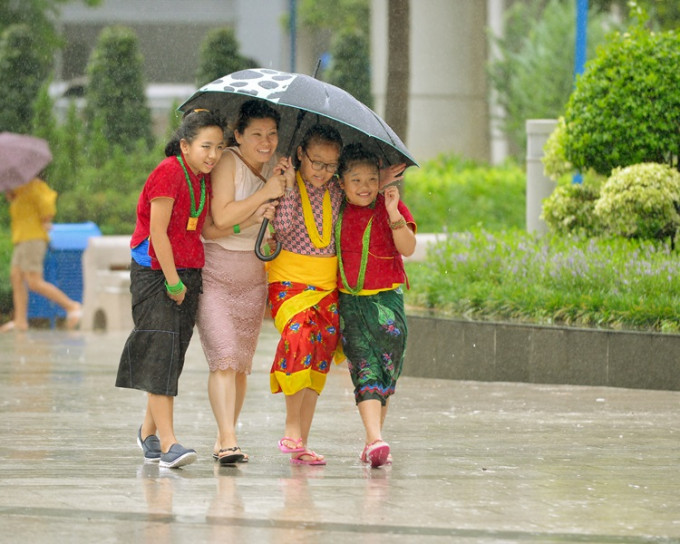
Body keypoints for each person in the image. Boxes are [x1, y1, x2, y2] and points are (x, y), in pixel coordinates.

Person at [115, 109, 226, 469]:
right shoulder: (168, 173)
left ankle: (147, 432)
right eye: (205, 146)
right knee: (161, 351)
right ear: (185, 145)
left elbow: (206, 229)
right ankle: (168, 444)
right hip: (157, 273)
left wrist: (256, 220)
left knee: (171, 356)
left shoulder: (202, 179)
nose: (212, 155)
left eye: (219, 147)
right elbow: (158, 233)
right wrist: (173, 281)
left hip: (190, 271)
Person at [195, 99, 287, 466]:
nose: (265, 142)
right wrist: (264, 196)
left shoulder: (277, 173)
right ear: (238, 135)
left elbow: (267, 233)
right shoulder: (229, 162)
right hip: (216, 272)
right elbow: (217, 218)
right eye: (256, 135)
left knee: (242, 365)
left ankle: (225, 438)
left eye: (272, 134)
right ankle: (229, 438)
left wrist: (269, 220)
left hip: (252, 275)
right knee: (223, 357)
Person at [334, 143, 417, 468]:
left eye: (371, 179)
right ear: (341, 183)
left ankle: (374, 439)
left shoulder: (388, 206)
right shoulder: (336, 208)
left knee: (385, 373)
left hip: (388, 304)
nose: (365, 187)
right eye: (356, 180)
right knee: (364, 368)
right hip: (352, 307)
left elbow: (407, 248)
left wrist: (394, 211)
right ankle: (374, 439)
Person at [267, 124, 345, 465]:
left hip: (327, 287)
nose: (324, 172)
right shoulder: (290, 183)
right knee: (298, 337)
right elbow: (281, 229)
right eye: (317, 163)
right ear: (301, 154)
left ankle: (302, 442)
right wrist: (285, 185)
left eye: (331, 165)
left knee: (318, 358)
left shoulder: (337, 189)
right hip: (289, 284)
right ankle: (290, 424)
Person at [1, 178, 82, 332]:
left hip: (33, 239)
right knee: (16, 277)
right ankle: (20, 321)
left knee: (34, 281)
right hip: (21, 239)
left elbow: (47, 205)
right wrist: (12, 195)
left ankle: (71, 306)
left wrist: (46, 218)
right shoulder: (18, 189)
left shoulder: (35, 185)